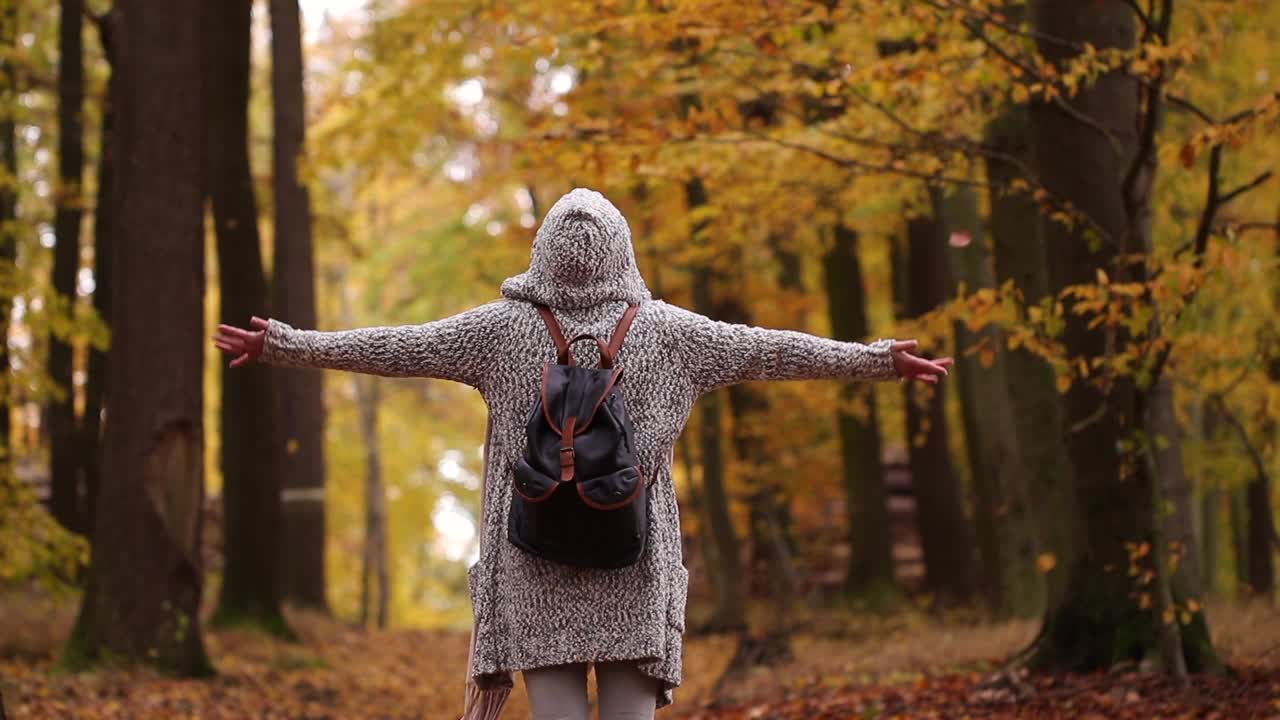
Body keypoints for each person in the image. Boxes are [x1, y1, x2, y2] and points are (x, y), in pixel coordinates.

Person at [213, 188, 951, 720]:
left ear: (541, 254)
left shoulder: (495, 331)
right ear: (624, 250)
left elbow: (389, 347)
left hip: (532, 556)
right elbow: (779, 352)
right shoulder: (673, 333)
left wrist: (283, 343)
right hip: (635, 557)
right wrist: (881, 359)